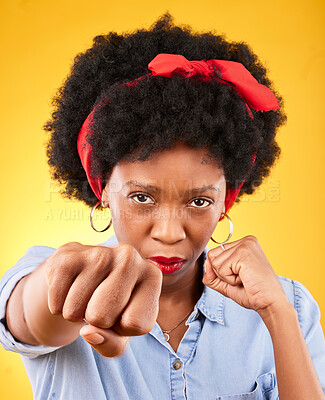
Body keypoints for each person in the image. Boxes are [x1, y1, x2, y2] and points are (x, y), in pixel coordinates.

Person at [0, 11, 324, 400]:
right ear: (103, 189)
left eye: (200, 201)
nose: (170, 233)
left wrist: (278, 314)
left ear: (227, 199)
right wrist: (67, 285)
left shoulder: (292, 305)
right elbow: (30, 317)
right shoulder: (54, 276)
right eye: (141, 197)